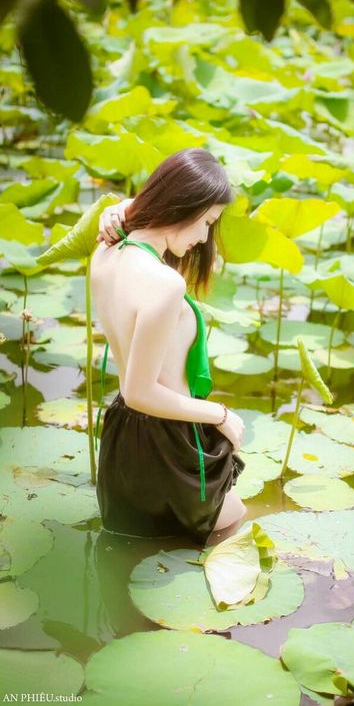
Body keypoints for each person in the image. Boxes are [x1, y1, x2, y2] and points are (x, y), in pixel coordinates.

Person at [90, 148, 247, 545]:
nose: (203, 238)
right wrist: (220, 414)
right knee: (231, 528)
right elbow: (140, 391)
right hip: (167, 441)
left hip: (123, 437)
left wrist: (121, 209)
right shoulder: (165, 284)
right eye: (207, 221)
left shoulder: (104, 254)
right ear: (185, 205)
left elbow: (131, 394)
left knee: (134, 553)